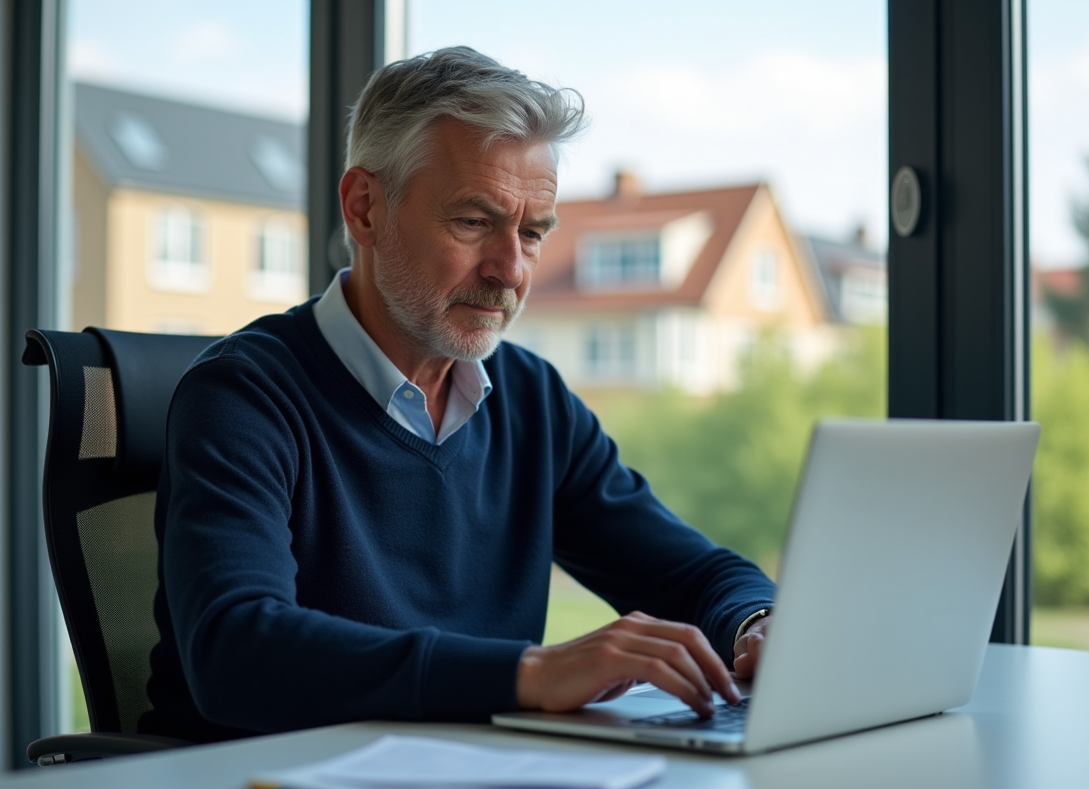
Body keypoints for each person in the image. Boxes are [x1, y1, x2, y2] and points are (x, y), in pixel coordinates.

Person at [140, 46, 775, 744]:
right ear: (365, 209)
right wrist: (529, 675)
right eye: (473, 222)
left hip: (472, 775)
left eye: (533, 233)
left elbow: (692, 574)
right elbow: (238, 651)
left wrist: (757, 624)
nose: (510, 270)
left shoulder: (533, 400)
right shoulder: (243, 395)